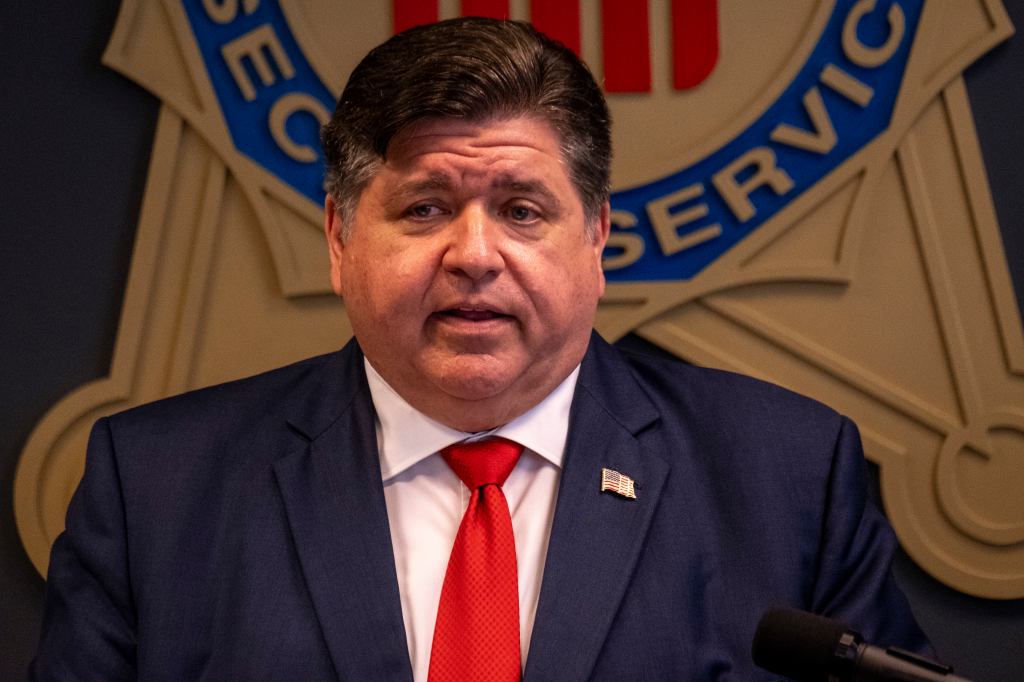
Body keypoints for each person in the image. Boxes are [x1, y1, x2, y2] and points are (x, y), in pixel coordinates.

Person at [32, 17, 931, 680]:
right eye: (423, 209)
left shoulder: (786, 476)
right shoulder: (157, 487)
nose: (473, 254)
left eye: (523, 210)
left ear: (598, 239)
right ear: (340, 239)